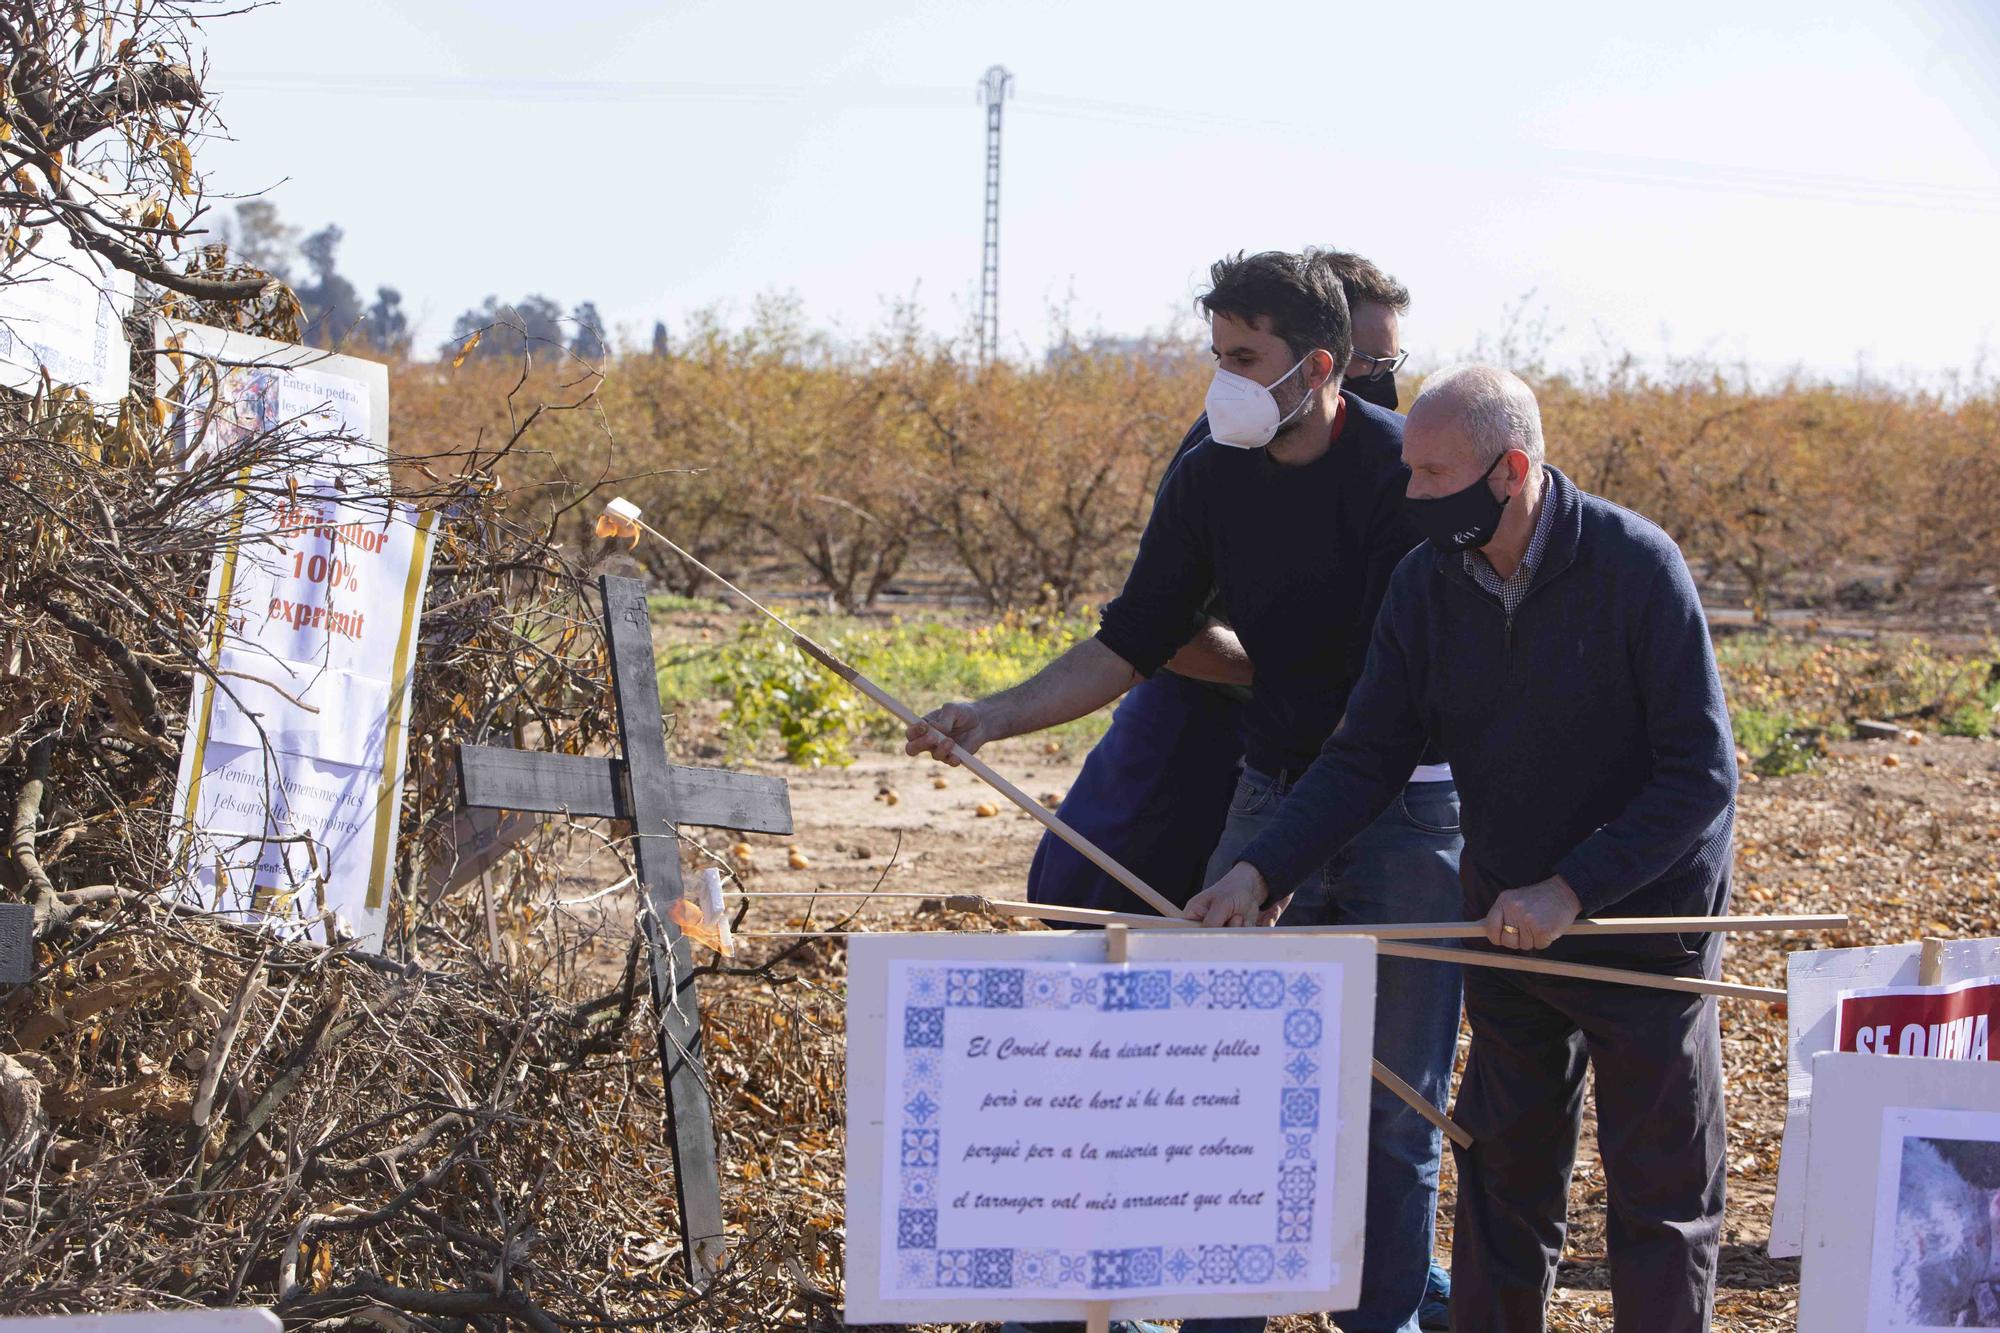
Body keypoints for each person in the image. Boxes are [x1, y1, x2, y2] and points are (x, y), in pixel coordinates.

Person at [908, 249, 1461, 1333]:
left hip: (1400, 807)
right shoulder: (1211, 470)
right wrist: (992, 714)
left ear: (1314, 365)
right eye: (1215, 354)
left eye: (1243, 358)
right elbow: (1130, 639)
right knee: (1238, 1082)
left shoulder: (1406, 479)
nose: (1222, 380)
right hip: (1271, 789)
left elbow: (1434, 684)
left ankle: (1383, 1317)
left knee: (1395, 1106)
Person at [1188, 364, 1736, 1332]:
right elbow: (1364, 757)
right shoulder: (1426, 582)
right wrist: (1259, 868)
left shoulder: (1634, 569)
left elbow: (1698, 778)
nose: (1410, 496)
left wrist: (1573, 889)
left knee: (1658, 1196)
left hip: (1647, 927)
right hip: (1504, 922)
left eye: (1433, 476)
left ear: (1509, 469)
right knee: (1500, 1182)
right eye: (1408, 471)